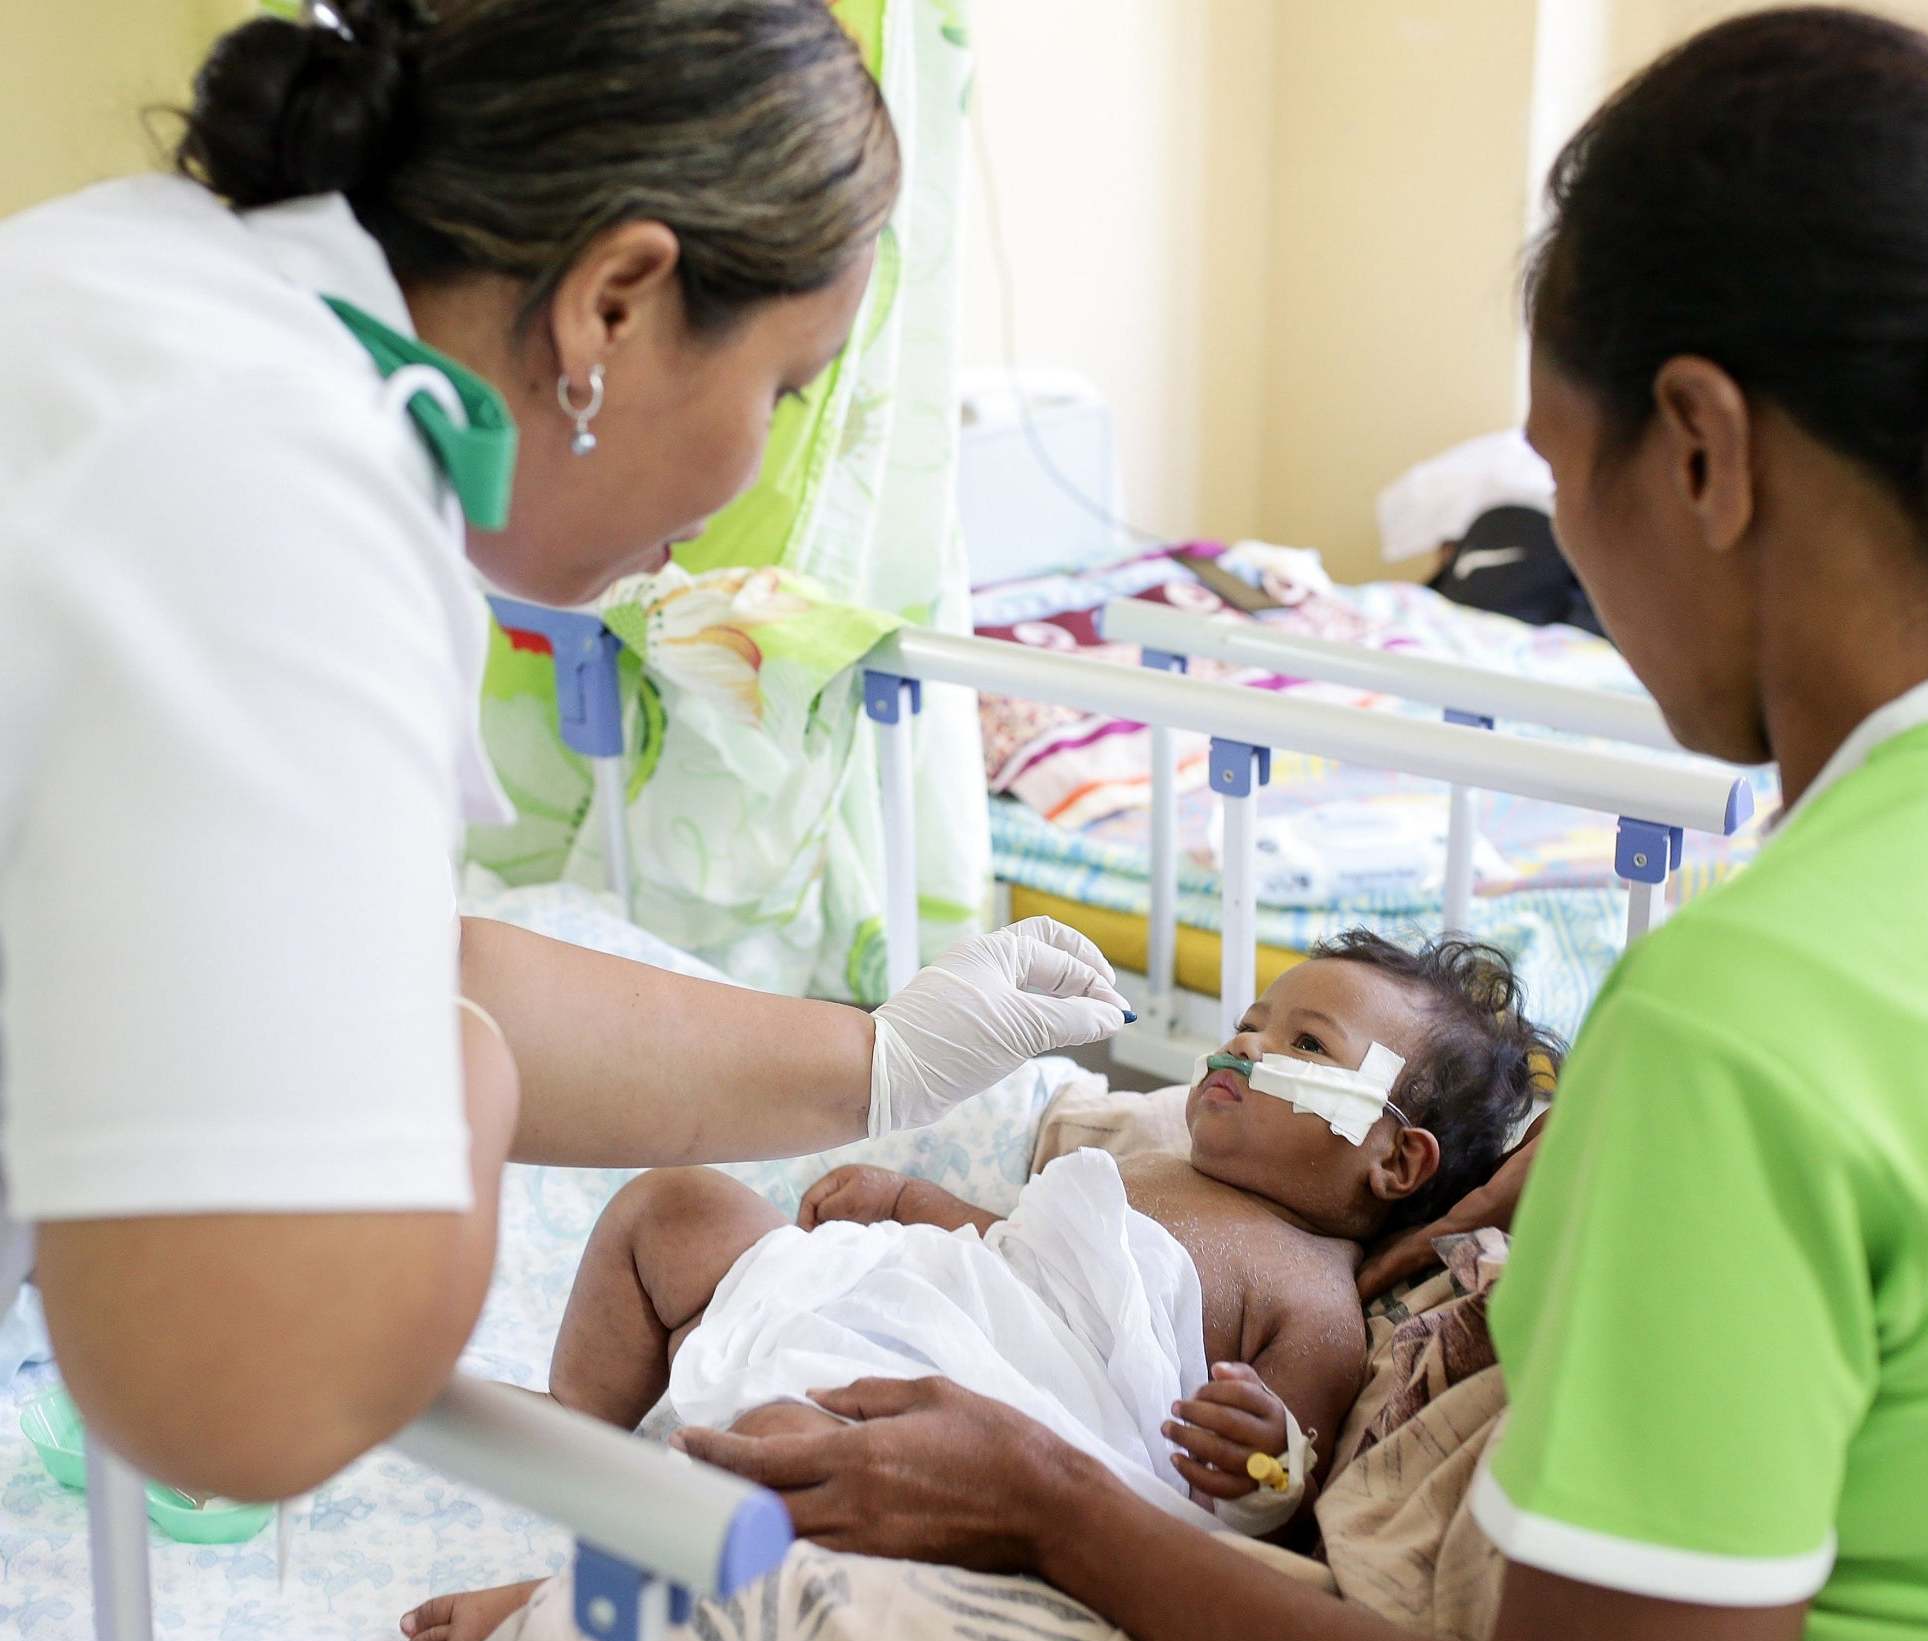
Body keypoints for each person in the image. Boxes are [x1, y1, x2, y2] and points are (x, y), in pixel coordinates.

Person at [681, 10, 1928, 1641]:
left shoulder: (1740, 1020)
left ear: (1698, 446)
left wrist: (1051, 1499)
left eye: (1560, 468)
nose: (1569, 529)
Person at [0, 0, 1127, 1505]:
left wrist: (877, 1057)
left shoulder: (148, 287)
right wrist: (443, 1079)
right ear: (615, 301)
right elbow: (235, 1400)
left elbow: (374, 958)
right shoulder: (281, 488)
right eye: (783, 389)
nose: (748, 480)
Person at [396, 930, 1557, 1641]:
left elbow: (1277, 1501)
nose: (1240, 1046)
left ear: (1394, 1160)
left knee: (788, 1451)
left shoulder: (1313, 1298)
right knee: (674, 1211)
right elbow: (1020, 1253)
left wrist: (1265, 1453)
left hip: (974, 1408)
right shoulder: (1146, 1161)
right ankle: (579, 1436)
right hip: (910, 1303)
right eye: (1249, 1018)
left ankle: (569, 1601)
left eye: (1300, 1038)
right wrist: (910, 1199)